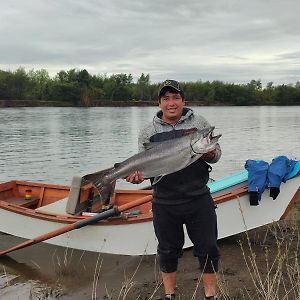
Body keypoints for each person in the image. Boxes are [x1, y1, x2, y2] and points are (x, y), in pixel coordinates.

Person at [126, 80, 221, 300]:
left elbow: (216, 155)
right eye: (166, 98)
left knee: (208, 248)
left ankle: (210, 296)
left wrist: (208, 152)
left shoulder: (199, 123)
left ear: (183, 101)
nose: (171, 103)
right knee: (167, 251)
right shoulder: (148, 132)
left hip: (198, 198)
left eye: (175, 97)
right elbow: (144, 168)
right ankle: (169, 295)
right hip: (164, 201)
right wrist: (135, 177)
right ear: (159, 103)